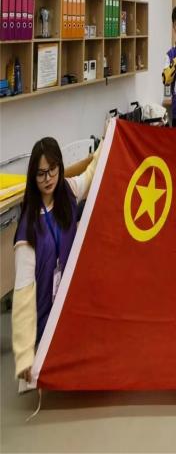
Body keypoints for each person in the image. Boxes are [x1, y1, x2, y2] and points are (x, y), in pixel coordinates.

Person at [12, 137, 101, 383]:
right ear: (33, 177)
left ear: (60, 167)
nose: (48, 178)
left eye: (52, 170)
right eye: (41, 173)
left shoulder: (68, 192)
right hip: (47, 321)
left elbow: (91, 174)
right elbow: (23, 297)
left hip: (73, 306)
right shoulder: (27, 230)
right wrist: (24, 354)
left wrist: (109, 139)